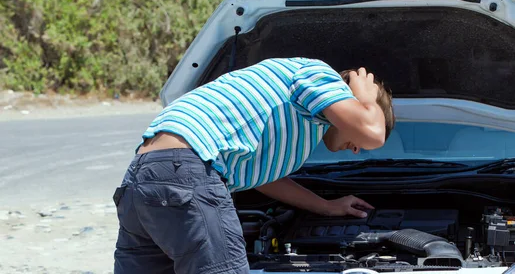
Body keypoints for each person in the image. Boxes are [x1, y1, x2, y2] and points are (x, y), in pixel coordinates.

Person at [113, 57, 395, 274]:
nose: (357, 149)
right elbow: (372, 134)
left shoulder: (298, 123)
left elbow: (262, 177)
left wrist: (327, 206)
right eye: (365, 112)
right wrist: (368, 99)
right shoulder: (318, 75)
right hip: (186, 171)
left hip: (143, 177)